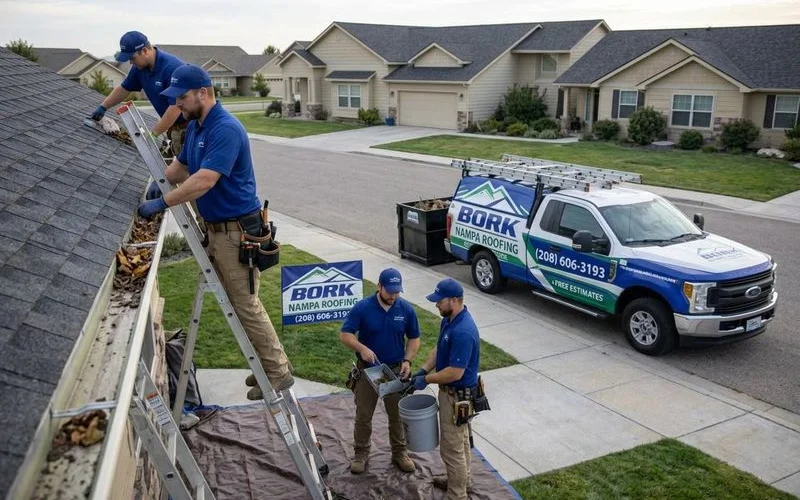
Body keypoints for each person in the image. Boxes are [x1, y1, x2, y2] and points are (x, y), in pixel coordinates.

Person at [137, 63, 293, 397]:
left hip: (237, 233)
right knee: (236, 304)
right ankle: (265, 366)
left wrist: (163, 202)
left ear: (202, 93)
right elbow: (182, 167)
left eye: (182, 97)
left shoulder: (225, 129)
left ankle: (277, 371)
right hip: (218, 231)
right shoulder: (196, 127)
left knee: (246, 304)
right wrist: (159, 181)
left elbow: (205, 180)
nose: (177, 104)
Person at [338, 268, 421, 474]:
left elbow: (414, 338)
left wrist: (407, 360)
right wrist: (362, 348)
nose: (393, 295)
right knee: (364, 415)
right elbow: (345, 334)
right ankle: (361, 453)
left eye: (397, 291)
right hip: (368, 371)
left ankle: (400, 452)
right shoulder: (363, 308)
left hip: (394, 371)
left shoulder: (405, 309)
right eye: (390, 291)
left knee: (397, 415)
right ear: (379, 286)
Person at [411, 278, 480, 500]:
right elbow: (440, 349)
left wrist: (427, 379)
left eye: (439, 301)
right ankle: (463, 481)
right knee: (460, 442)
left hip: (456, 397)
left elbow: (455, 372)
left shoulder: (463, 331)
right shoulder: (449, 321)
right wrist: (423, 369)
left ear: (454, 300)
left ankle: (457, 494)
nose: (436, 305)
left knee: (452, 449)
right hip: (453, 395)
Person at [91, 31, 186, 156]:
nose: (131, 62)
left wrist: (154, 134)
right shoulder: (139, 69)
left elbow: (176, 107)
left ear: (144, 51)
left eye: (132, 58)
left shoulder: (171, 68)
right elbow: (124, 89)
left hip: (193, 126)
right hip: (175, 126)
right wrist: (103, 107)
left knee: (191, 164)